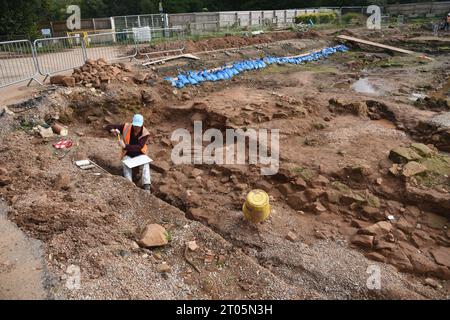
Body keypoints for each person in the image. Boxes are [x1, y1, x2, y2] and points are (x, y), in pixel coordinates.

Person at [105, 114, 151, 191]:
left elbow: (138, 147)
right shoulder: (126, 127)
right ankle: (129, 184)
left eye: (138, 126)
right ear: (133, 123)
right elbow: (109, 126)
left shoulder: (145, 133)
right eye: (135, 125)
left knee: (146, 164)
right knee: (125, 163)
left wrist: (125, 146)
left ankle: (147, 186)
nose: (136, 127)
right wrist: (112, 130)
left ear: (142, 124)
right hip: (128, 153)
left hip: (140, 154)